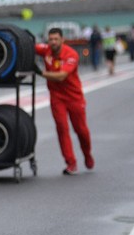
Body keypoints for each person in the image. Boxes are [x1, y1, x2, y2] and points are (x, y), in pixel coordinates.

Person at [34, 27, 94, 175]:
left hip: (74, 97)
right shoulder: (46, 50)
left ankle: (87, 154)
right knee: (61, 128)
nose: (53, 42)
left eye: (56, 39)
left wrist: (40, 72)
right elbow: (29, 45)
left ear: (62, 40)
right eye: (50, 39)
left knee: (81, 130)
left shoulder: (71, 54)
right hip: (56, 97)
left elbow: (61, 76)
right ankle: (70, 162)